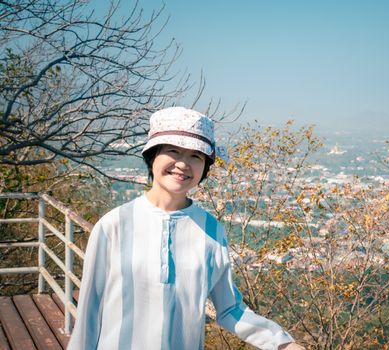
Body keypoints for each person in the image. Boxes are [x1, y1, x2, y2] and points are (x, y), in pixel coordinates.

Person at [68, 107, 305, 350]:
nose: (183, 164)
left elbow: (229, 308)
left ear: (205, 168)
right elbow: (89, 310)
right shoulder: (113, 225)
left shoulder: (211, 230)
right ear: (153, 155)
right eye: (173, 151)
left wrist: (282, 344)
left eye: (196, 156)